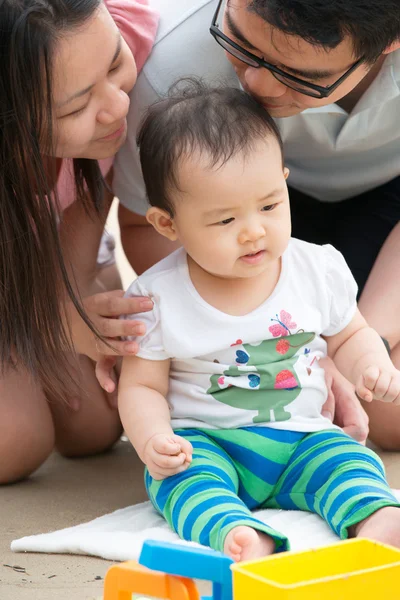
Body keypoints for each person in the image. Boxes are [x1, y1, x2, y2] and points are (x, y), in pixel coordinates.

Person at [118, 82, 400, 563]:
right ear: (169, 225)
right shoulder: (156, 298)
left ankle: (376, 518)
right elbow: (141, 386)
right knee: (179, 482)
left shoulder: (316, 268)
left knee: (350, 462)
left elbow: (350, 334)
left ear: (284, 181)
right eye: (224, 220)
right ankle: (235, 532)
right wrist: (152, 439)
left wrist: (371, 363)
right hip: (206, 444)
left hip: (304, 435)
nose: (254, 231)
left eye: (270, 205)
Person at [113, 0, 400, 450]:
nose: (256, 83)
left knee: (388, 410)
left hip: (386, 203)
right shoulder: (165, 67)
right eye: (240, 44)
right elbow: (144, 226)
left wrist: (347, 348)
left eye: (301, 74)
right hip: (241, 213)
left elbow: (357, 346)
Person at [0, 0, 158, 484]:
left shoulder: (106, 30)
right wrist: (50, 321)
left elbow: (95, 195)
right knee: (14, 443)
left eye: (115, 63)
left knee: (94, 425)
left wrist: (69, 302)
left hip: (52, 254)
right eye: (75, 105)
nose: (118, 106)